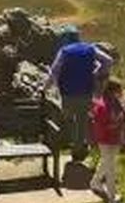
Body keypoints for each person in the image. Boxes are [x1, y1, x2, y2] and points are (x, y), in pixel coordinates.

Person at [46, 28, 113, 162]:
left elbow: (54, 71)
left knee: (68, 120)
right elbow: (108, 61)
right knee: (82, 121)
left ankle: (69, 147)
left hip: (67, 93)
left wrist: (45, 87)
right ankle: (78, 151)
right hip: (86, 91)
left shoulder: (64, 52)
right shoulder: (90, 49)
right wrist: (97, 73)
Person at [89, 78, 125, 203]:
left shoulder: (118, 103)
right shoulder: (101, 105)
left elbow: (123, 116)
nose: (121, 93)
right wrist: (113, 125)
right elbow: (98, 125)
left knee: (106, 163)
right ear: (112, 91)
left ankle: (94, 182)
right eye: (119, 90)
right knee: (111, 170)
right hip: (105, 141)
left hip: (115, 139)